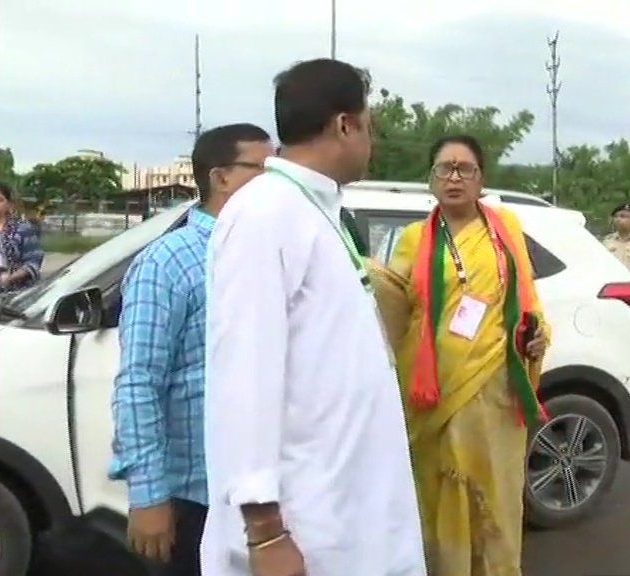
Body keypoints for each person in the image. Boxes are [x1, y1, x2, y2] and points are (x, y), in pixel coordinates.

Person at [201, 58, 426, 576]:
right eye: (369, 126)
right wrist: (265, 533)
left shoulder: (317, 209)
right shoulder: (263, 214)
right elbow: (244, 378)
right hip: (301, 533)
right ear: (345, 125)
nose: (372, 141)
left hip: (349, 521)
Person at [369, 134, 550, 576]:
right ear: (431, 179)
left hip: (496, 392)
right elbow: (398, 303)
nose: (454, 177)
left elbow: (528, 298)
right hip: (436, 395)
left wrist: (538, 334)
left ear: (480, 179)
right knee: (442, 498)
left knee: (496, 502)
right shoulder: (414, 238)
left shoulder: (505, 227)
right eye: (443, 168)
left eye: (464, 169)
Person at [110, 123, 274, 576]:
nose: (277, 181)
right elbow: (138, 381)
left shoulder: (268, 252)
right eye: (264, 168)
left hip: (262, 494)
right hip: (193, 499)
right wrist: (148, 497)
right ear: (221, 177)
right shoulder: (170, 260)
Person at [0, 181, 43, 294]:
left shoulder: (22, 228)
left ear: (9, 205)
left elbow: (33, 261)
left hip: (12, 292)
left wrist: (11, 277)